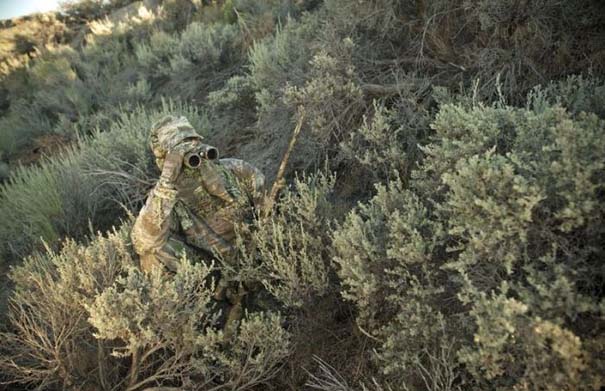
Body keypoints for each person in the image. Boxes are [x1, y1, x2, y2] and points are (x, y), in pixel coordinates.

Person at [131, 116, 265, 326]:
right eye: (183, 156)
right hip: (215, 276)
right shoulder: (167, 199)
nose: (195, 162)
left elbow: (271, 209)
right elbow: (143, 242)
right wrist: (167, 182)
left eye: (194, 147)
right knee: (154, 254)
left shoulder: (237, 171)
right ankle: (203, 325)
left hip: (258, 258)